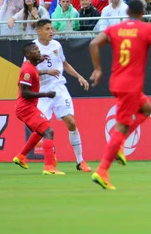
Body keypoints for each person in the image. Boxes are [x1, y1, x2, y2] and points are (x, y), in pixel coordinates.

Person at [89, 0, 151, 188]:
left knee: (146, 109)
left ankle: (119, 144)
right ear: (143, 14)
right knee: (121, 127)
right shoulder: (147, 29)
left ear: (127, 13)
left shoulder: (115, 28)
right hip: (131, 86)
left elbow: (94, 44)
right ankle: (102, 170)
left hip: (116, 81)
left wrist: (97, 69)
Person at [31, 19, 92, 171]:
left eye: (51, 28)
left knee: (71, 122)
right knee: (42, 128)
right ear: (39, 31)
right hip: (42, 91)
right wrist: (46, 71)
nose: (51, 31)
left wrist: (79, 76)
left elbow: (64, 64)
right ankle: (51, 155)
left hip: (58, 88)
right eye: (47, 29)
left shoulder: (57, 45)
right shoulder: (32, 48)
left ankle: (80, 161)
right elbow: (27, 71)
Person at [12, 43, 63, 175]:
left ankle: (21, 156)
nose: (38, 51)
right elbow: (25, 93)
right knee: (48, 131)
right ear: (28, 55)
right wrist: (46, 94)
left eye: (38, 49)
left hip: (28, 107)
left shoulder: (31, 67)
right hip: (26, 108)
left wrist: (41, 61)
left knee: (41, 131)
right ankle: (49, 167)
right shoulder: (27, 70)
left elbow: (35, 71)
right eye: (35, 50)